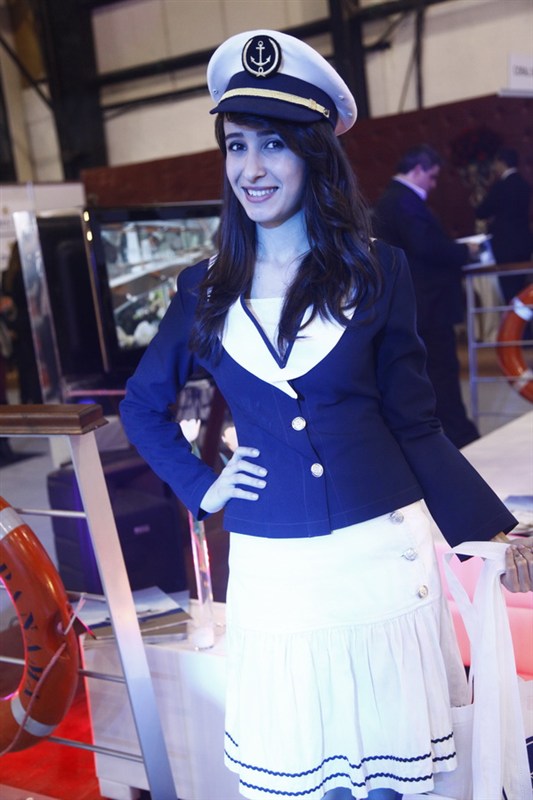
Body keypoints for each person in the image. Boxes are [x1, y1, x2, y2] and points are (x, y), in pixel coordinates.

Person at [120, 30, 533, 800]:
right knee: (308, 780)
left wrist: (493, 529)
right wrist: (203, 487)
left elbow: (415, 423)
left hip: (380, 566)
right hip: (276, 578)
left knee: (389, 783)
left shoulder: (378, 272)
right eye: (236, 145)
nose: (250, 168)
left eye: (272, 144)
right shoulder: (204, 289)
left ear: (313, 154)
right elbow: (142, 406)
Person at [372, 145, 480, 449]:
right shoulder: (403, 200)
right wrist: (464, 251)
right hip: (427, 305)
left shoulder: (392, 199)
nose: (433, 184)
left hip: (418, 304)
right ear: (418, 169)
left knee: (432, 372)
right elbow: (427, 246)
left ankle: (452, 432)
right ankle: (458, 434)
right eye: (432, 176)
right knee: (441, 372)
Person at [474, 146, 532, 303]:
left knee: (507, 290)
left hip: (504, 245)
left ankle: (510, 318)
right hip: (525, 243)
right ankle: (522, 318)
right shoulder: (525, 184)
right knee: (521, 288)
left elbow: (482, 211)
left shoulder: (500, 186)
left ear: (501, 162)